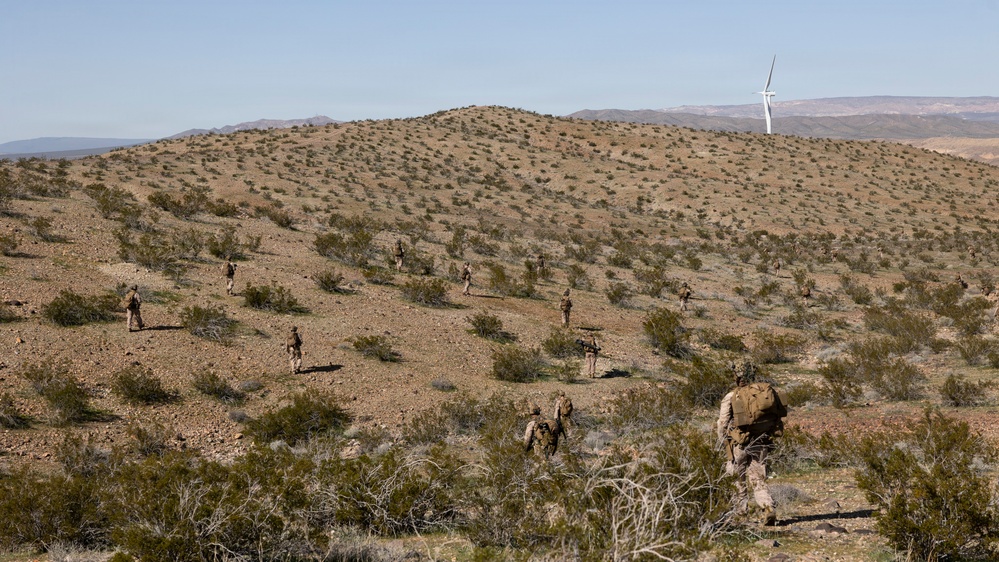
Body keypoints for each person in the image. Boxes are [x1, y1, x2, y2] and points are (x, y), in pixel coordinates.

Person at [717, 362, 786, 526]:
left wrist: (722, 440)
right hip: (761, 441)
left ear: (737, 376)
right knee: (758, 478)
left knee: (737, 479)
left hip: (738, 444)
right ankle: (768, 507)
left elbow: (722, 422)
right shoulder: (768, 393)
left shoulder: (732, 396)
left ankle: (740, 514)